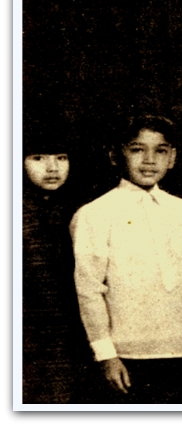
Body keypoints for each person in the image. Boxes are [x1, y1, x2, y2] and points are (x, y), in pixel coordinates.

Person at [71, 114, 182, 404]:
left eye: (160, 151)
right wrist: (106, 354)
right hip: (126, 356)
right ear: (115, 155)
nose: (149, 160)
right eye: (137, 149)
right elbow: (89, 291)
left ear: (172, 158)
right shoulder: (94, 214)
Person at [22, 119, 88, 403]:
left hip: (74, 332)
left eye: (61, 158)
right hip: (29, 334)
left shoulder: (81, 209)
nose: (52, 168)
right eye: (38, 158)